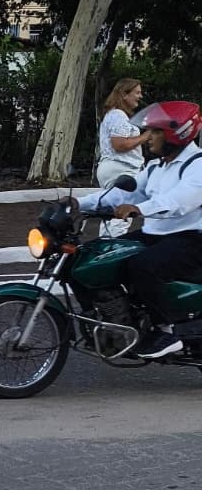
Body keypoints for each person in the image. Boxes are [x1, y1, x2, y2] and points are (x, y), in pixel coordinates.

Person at [79, 100, 202, 359]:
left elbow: (180, 201)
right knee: (96, 254)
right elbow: (124, 193)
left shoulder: (197, 165)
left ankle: (165, 331)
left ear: (176, 133)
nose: (148, 138)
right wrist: (75, 204)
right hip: (155, 235)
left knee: (142, 265)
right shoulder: (156, 166)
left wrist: (140, 209)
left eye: (155, 132)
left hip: (190, 239)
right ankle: (114, 321)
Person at [96, 78, 151, 237]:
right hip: (121, 170)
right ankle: (109, 252)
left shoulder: (115, 115)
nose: (140, 96)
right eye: (137, 92)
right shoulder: (118, 115)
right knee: (120, 216)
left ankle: (105, 247)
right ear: (124, 94)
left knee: (114, 214)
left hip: (115, 168)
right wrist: (145, 136)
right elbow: (119, 144)